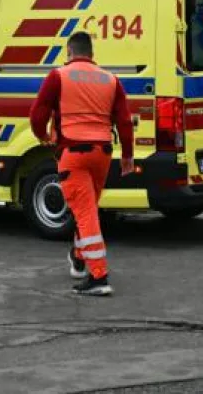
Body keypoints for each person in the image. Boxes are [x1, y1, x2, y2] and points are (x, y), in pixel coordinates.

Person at [30, 32, 135, 296]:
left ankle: (99, 277)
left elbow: (37, 113)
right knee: (86, 209)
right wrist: (128, 157)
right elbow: (124, 121)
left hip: (73, 153)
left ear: (69, 52)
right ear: (91, 52)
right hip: (103, 154)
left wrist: (42, 136)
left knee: (86, 213)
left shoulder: (59, 76)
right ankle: (78, 259)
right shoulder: (110, 79)